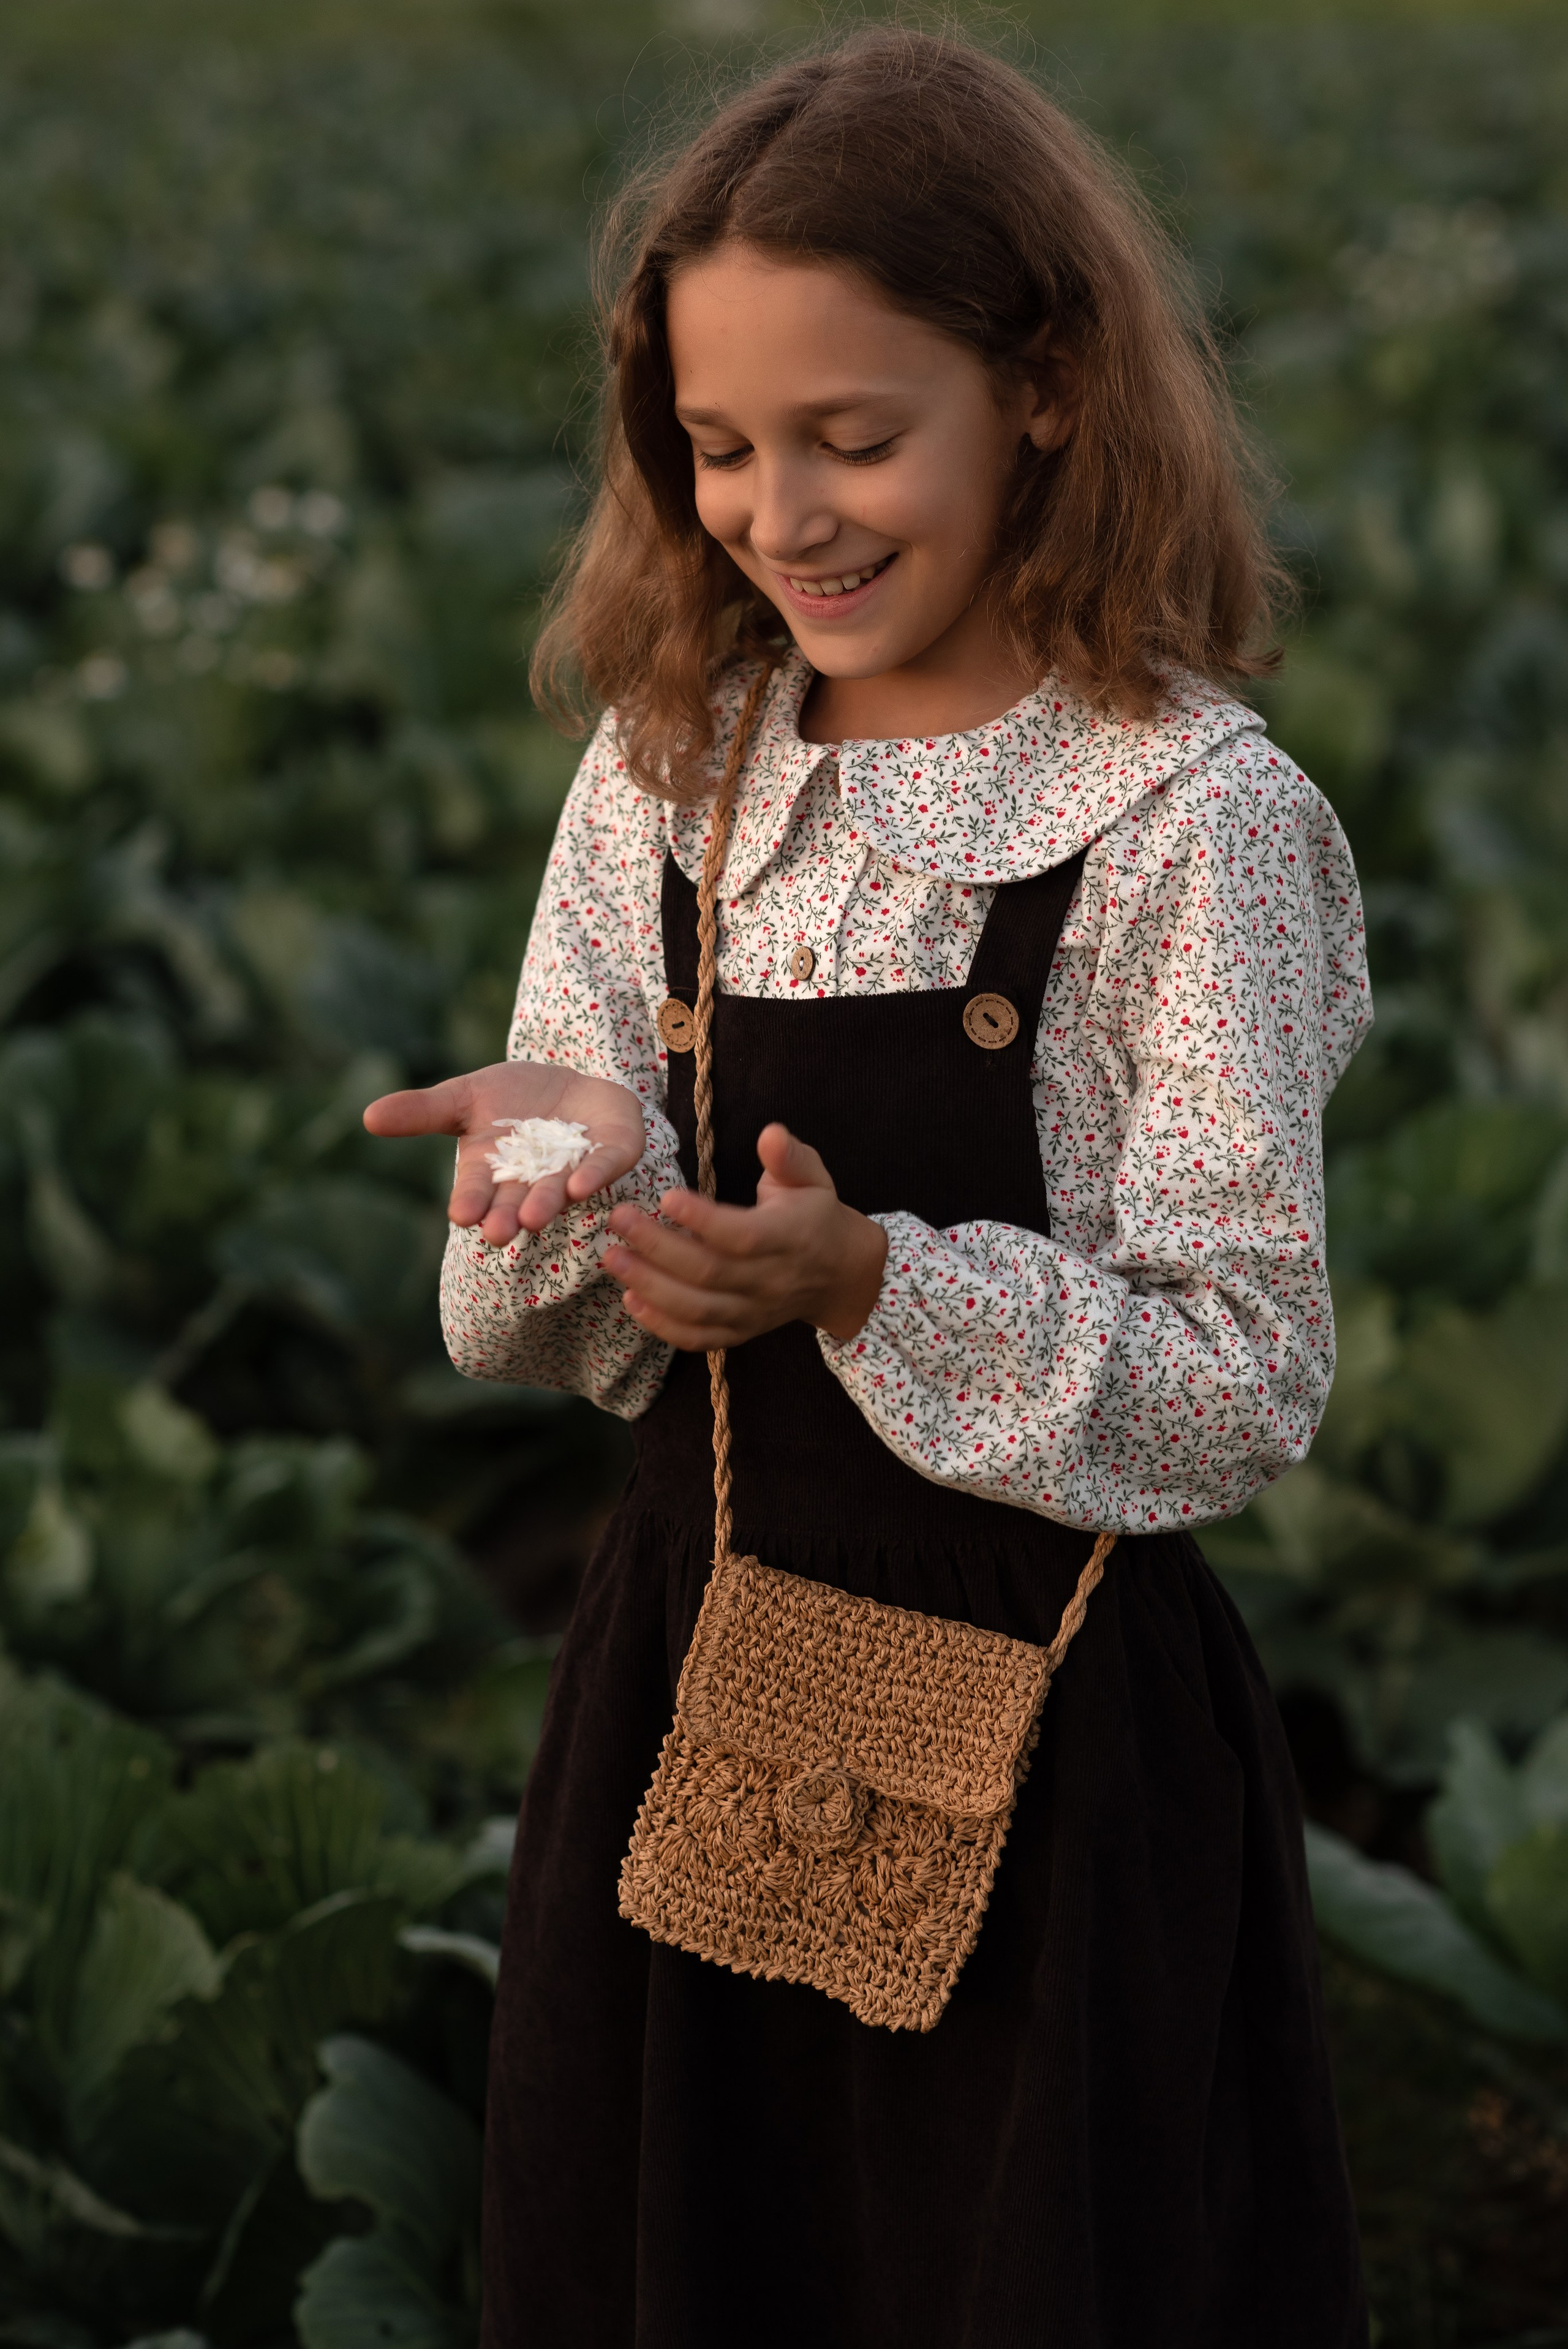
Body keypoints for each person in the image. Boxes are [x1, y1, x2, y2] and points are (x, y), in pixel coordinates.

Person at [366, 28, 1373, 2347]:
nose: (779, 513)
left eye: (852, 436)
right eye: (718, 447)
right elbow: (532, 1340)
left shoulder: (1191, 820)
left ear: (1048, 388)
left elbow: (1245, 1372)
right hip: (693, 1685)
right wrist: (574, 1171)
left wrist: (867, 1284)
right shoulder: (670, 774)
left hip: (1059, 1744)